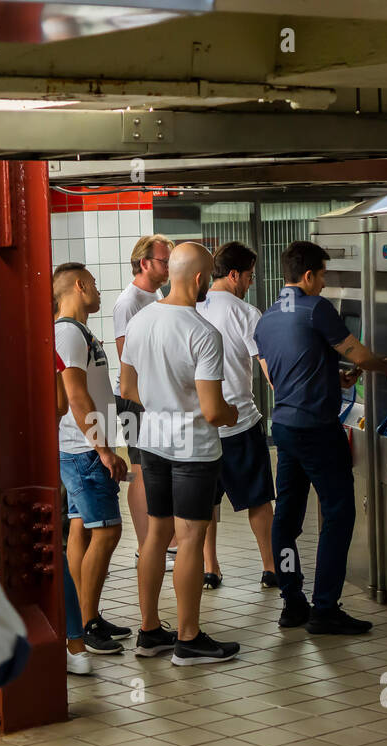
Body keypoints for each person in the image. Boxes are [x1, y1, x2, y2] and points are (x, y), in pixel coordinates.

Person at [255, 241, 387, 636]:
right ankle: (325, 608)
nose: (323, 284)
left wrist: (332, 379)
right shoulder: (316, 308)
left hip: (284, 427)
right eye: (322, 276)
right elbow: (357, 353)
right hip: (317, 429)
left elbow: (286, 371)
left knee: (285, 518)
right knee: (338, 514)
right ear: (308, 276)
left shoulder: (266, 318)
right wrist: (383, 365)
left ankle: (292, 600)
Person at [119, 242, 240, 665]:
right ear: (200, 279)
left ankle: (150, 632)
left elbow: (127, 390)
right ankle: (188, 639)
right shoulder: (203, 332)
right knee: (190, 538)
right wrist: (231, 413)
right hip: (193, 451)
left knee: (156, 534)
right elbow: (211, 409)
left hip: (151, 443)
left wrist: (161, 405)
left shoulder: (140, 321)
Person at [54, 263, 130, 654]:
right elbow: (76, 396)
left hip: (82, 446)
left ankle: (87, 616)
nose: (99, 293)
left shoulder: (77, 331)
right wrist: (103, 448)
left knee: (82, 527)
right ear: (80, 287)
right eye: (95, 286)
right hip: (84, 449)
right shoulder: (67, 332)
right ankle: (87, 623)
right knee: (108, 531)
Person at [196, 242, 278, 591]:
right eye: (248, 276)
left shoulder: (192, 308)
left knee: (206, 502)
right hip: (240, 420)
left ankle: (210, 568)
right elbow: (270, 371)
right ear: (233, 275)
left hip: (200, 423)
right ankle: (272, 568)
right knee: (258, 499)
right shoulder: (246, 313)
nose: (249, 282)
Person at [113, 235, 177, 571]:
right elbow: (127, 357)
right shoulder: (129, 301)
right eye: (164, 261)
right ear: (145, 263)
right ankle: (143, 547)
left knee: (156, 467)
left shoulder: (156, 294)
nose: (168, 267)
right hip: (133, 398)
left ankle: (160, 543)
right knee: (140, 470)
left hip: (156, 395)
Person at [55, 349, 91, 675]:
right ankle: (76, 643)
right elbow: (60, 404)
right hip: (43, 459)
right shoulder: (42, 346)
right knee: (55, 551)